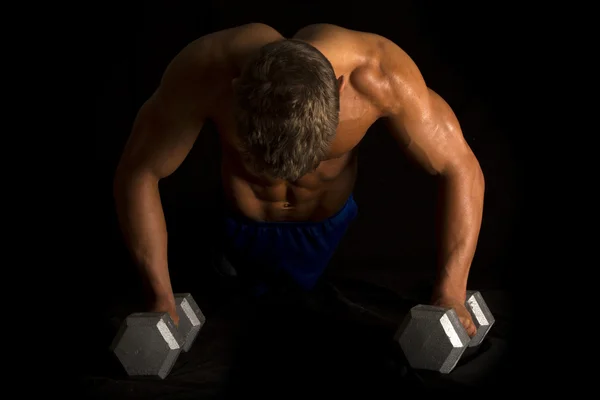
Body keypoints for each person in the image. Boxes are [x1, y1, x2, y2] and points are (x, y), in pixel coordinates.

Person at [113, 23, 485, 337]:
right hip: (241, 231)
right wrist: (160, 296)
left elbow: (460, 166)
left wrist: (452, 291)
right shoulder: (205, 72)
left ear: (339, 91)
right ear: (236, 89)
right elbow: (139, 172)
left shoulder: (378, 76)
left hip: (326, 233)